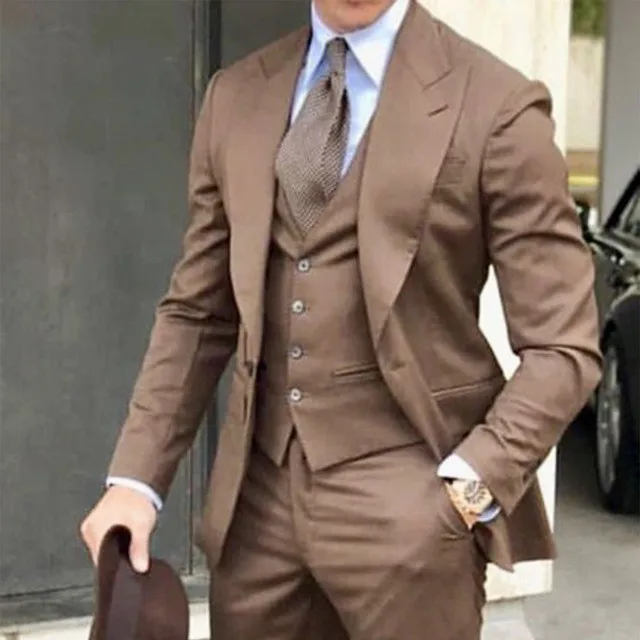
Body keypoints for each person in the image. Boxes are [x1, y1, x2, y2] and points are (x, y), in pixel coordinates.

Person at [80, 1, 602, 638]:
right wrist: (135, 479)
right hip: (256, 518)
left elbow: (563, 347)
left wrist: (467, 491)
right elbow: (197, 312)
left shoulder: (497, 104)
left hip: (413, 518)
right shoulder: (236, 96)